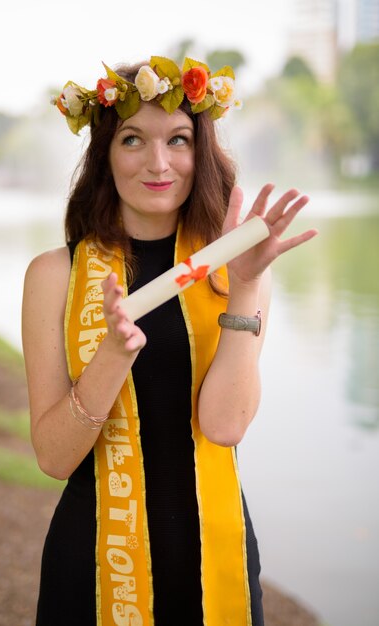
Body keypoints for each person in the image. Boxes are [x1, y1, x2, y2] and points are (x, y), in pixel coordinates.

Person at [22, 56, 317, 626]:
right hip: (94, 558)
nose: (159, 163)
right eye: (133, 139)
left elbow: (225, 426)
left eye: (178, 140)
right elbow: (54, 458)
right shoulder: (54, 275)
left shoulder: (238, 265)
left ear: (199, 153)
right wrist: (111, 355)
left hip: (214, 555)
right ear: (104, 155)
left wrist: (247, 286)